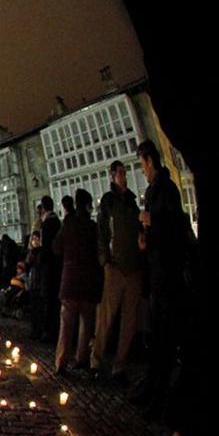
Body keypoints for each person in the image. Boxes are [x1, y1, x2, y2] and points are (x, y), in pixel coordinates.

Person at [131, 140, 190, 418]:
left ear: (149, 160)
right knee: (155, 335)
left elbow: (176, 227)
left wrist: (153, 221)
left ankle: (162, 396)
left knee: (165, 336)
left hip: (167, 275)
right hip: (156, 272)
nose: (142, 170)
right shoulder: (153, 189)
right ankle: (152, 386)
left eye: (142, 164)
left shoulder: (167, 188)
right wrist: (145, 239)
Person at [91, 160, 144, 381]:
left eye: (124, 172)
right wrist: (105, 261)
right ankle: (96, 360)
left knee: (129, 320)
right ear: (112, 176)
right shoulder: (108, 202)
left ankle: (119, 365)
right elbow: (102, 234)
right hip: (115, 266)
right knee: (107, 318)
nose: (124, 176)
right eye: (120, 173)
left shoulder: (131, 202)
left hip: (133, 267)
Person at [52, 188, 102, 374]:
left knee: (66, 324)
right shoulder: (92, 227)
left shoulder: (69, 224)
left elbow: (56, 248)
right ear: (88, 206)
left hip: (70, 280)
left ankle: (61, 361)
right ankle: (82, 358)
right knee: (86, 323)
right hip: (88, 282)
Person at [32, 195, 62, 341]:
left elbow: (46, 247)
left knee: (48, 299)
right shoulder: (57, 222)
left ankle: (49, 331)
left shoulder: (47, 224)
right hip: (55, 265)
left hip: (48, 267)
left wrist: (38, 255)